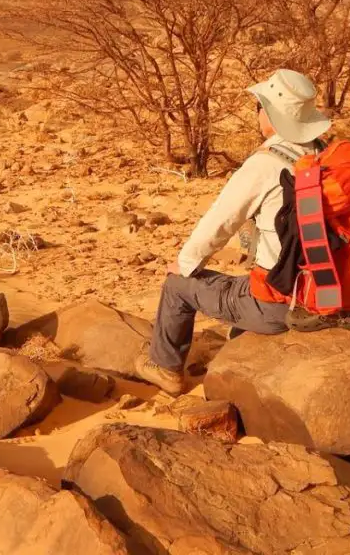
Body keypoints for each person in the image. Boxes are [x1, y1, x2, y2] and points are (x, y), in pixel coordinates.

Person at [134, 69, 333, 395]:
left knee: (177, 285)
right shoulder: (324, 154)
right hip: (329, 291)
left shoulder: (267, 164)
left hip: (284, 303)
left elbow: (219, 223)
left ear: (270, 114)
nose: (257, 113)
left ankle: (166, 368)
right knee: (243, 283)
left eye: (259, 106)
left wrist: (184, 265)